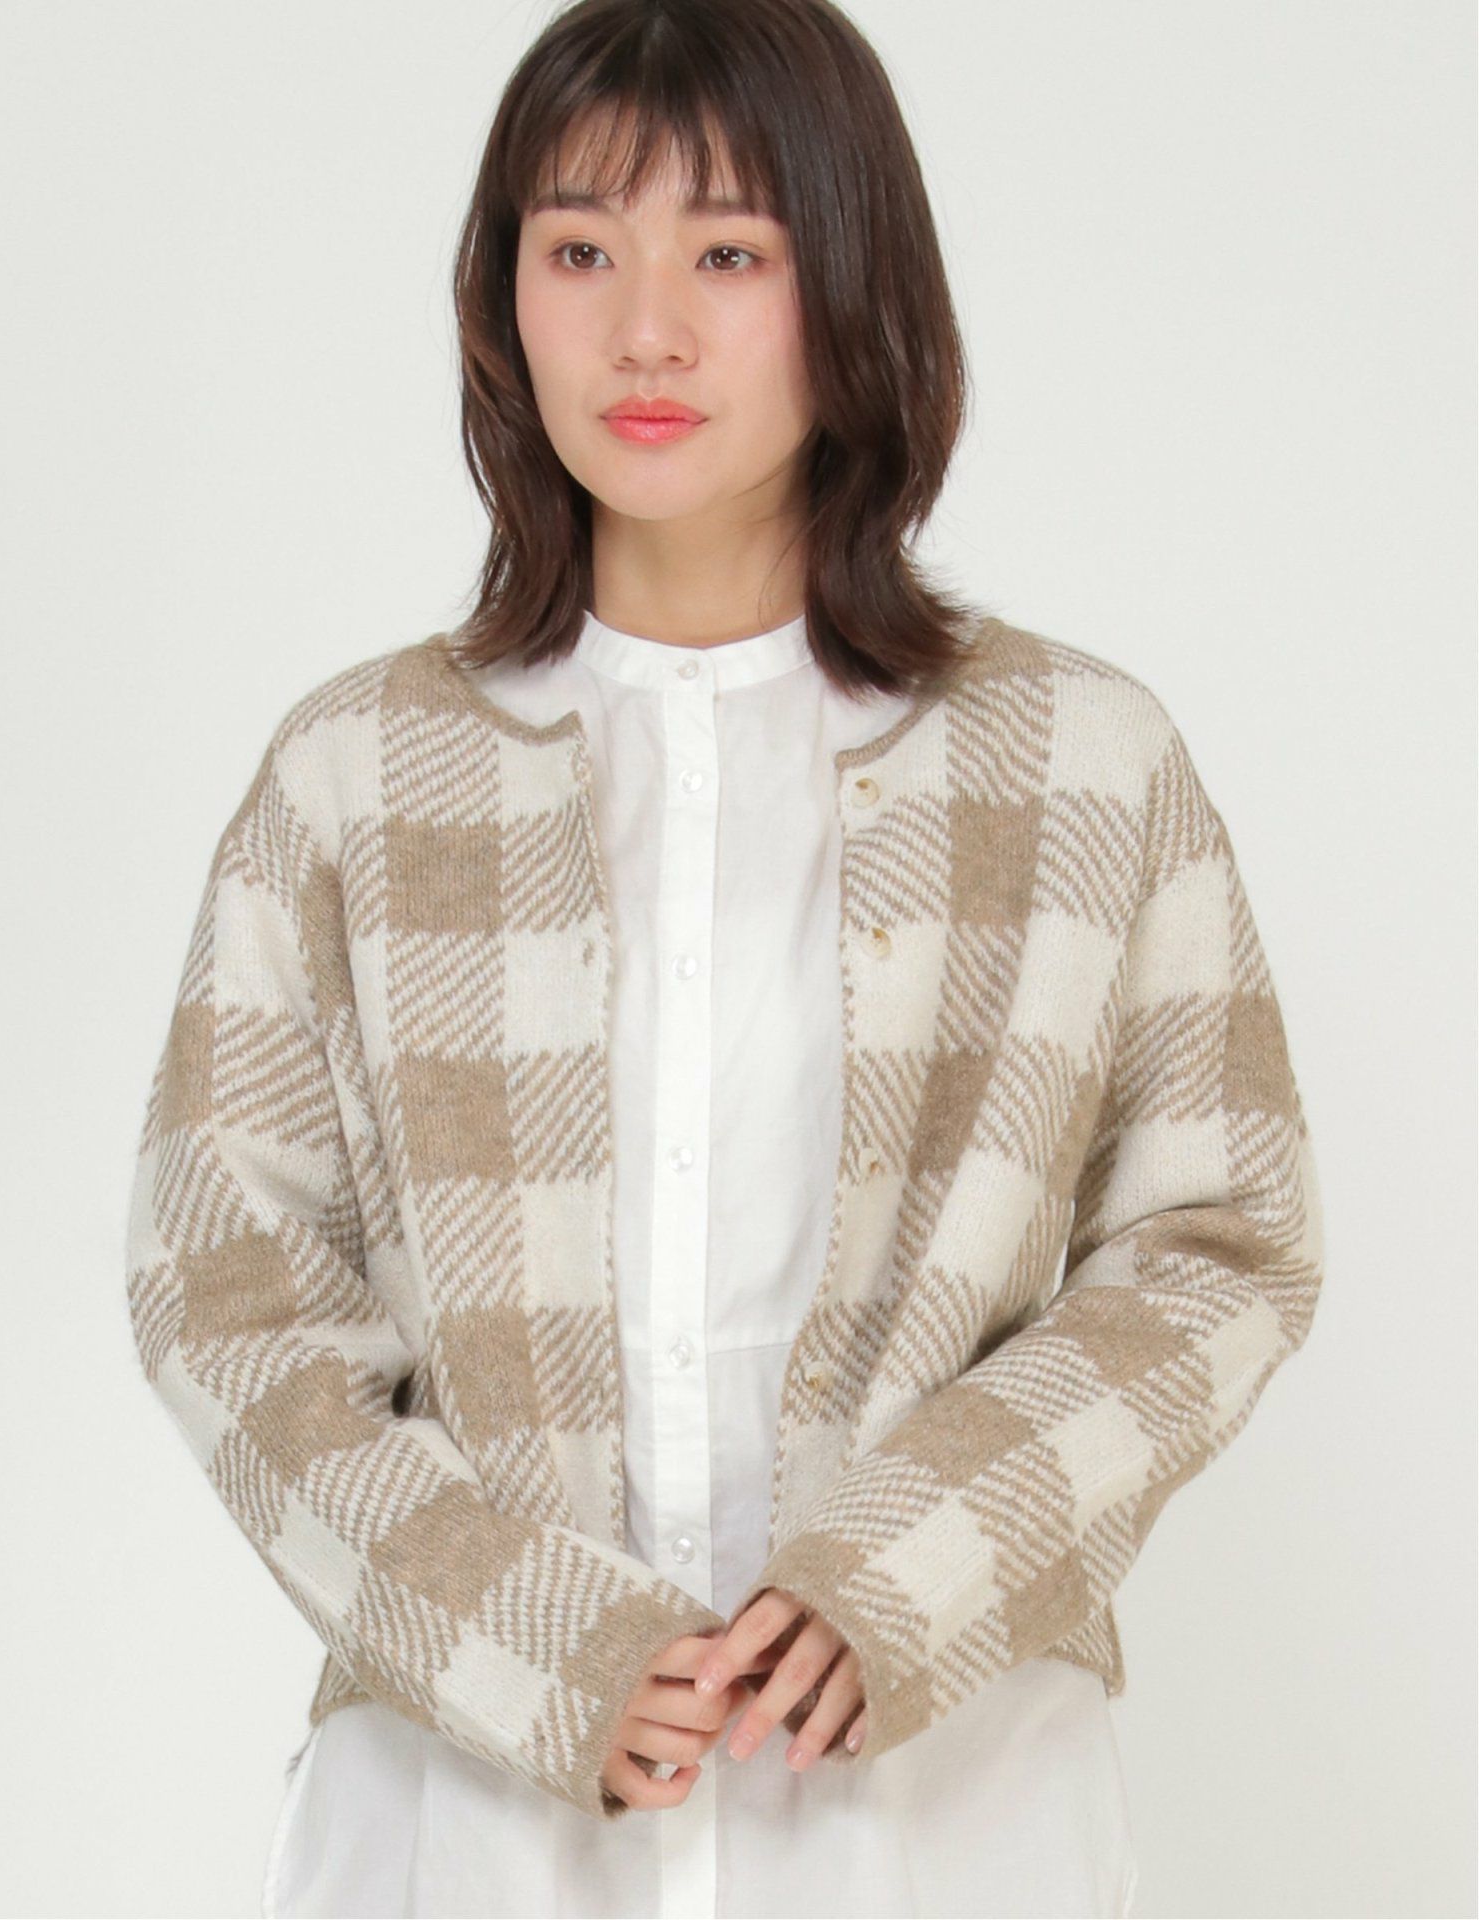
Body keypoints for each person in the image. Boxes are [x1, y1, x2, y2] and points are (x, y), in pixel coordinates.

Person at [123, 2, 1324, 1915]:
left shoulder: (1080, 766)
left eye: (732, 254)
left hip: (942, 1818)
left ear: (852, 282)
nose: (647, 330)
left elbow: (1219, 1244)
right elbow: (227, 1293)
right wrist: (535, 1645)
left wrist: (911, 1572)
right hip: (468, 1826)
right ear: (503, 297)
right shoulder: (358, 777)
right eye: (580, 250)